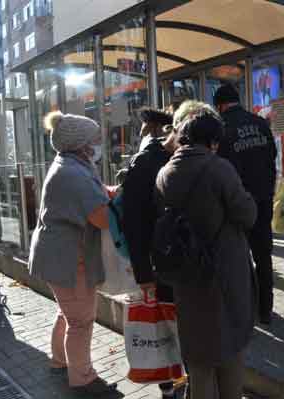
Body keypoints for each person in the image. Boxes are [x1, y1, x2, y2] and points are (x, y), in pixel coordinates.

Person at [154, 100, 257, 399]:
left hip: (186, 273)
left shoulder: (164, 173)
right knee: (230, 346)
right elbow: (247, 214)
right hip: (224, 270)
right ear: (212, 142)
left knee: (198, 355)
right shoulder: (219, 168)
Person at [28, 111, 119, 397]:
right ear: (82, 144)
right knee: (80, 321)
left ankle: (59, 361)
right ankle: (83, 379)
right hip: (68, 259)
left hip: (57, 256)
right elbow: (102, 218)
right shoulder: (72, 172)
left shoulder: (71, 164)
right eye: (95, 139)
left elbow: (98, 192)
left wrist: (116, 190)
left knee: (68, 314)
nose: (99, 143)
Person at [122, 107, 180, 399]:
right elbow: (133, 221)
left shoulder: (158, 158)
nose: (143, 131)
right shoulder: (148, 160)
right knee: (163, 324)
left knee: (168, 323)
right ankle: (169, 385)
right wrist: (143, 271)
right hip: (159, 261)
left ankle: (173, 382)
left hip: (166, 259)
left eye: (146, 127)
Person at [214, 84, 277, 325]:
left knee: (238, 259)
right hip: (263, 199)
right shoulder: (260, 123)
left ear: (220, 105)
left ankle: (244, 309)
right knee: (263, 256)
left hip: (236, 203)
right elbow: (272, 156)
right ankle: (266, 310)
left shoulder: (221, 127)